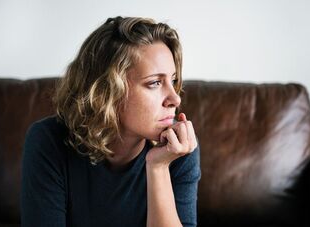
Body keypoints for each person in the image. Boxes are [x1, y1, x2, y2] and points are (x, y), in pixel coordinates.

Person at [21, 16, 201, 227]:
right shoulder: (48, 141)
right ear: (107, 92)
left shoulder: (178, 149)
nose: (175, 99)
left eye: (173, 81)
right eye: (154, 83)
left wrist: (158, 167)